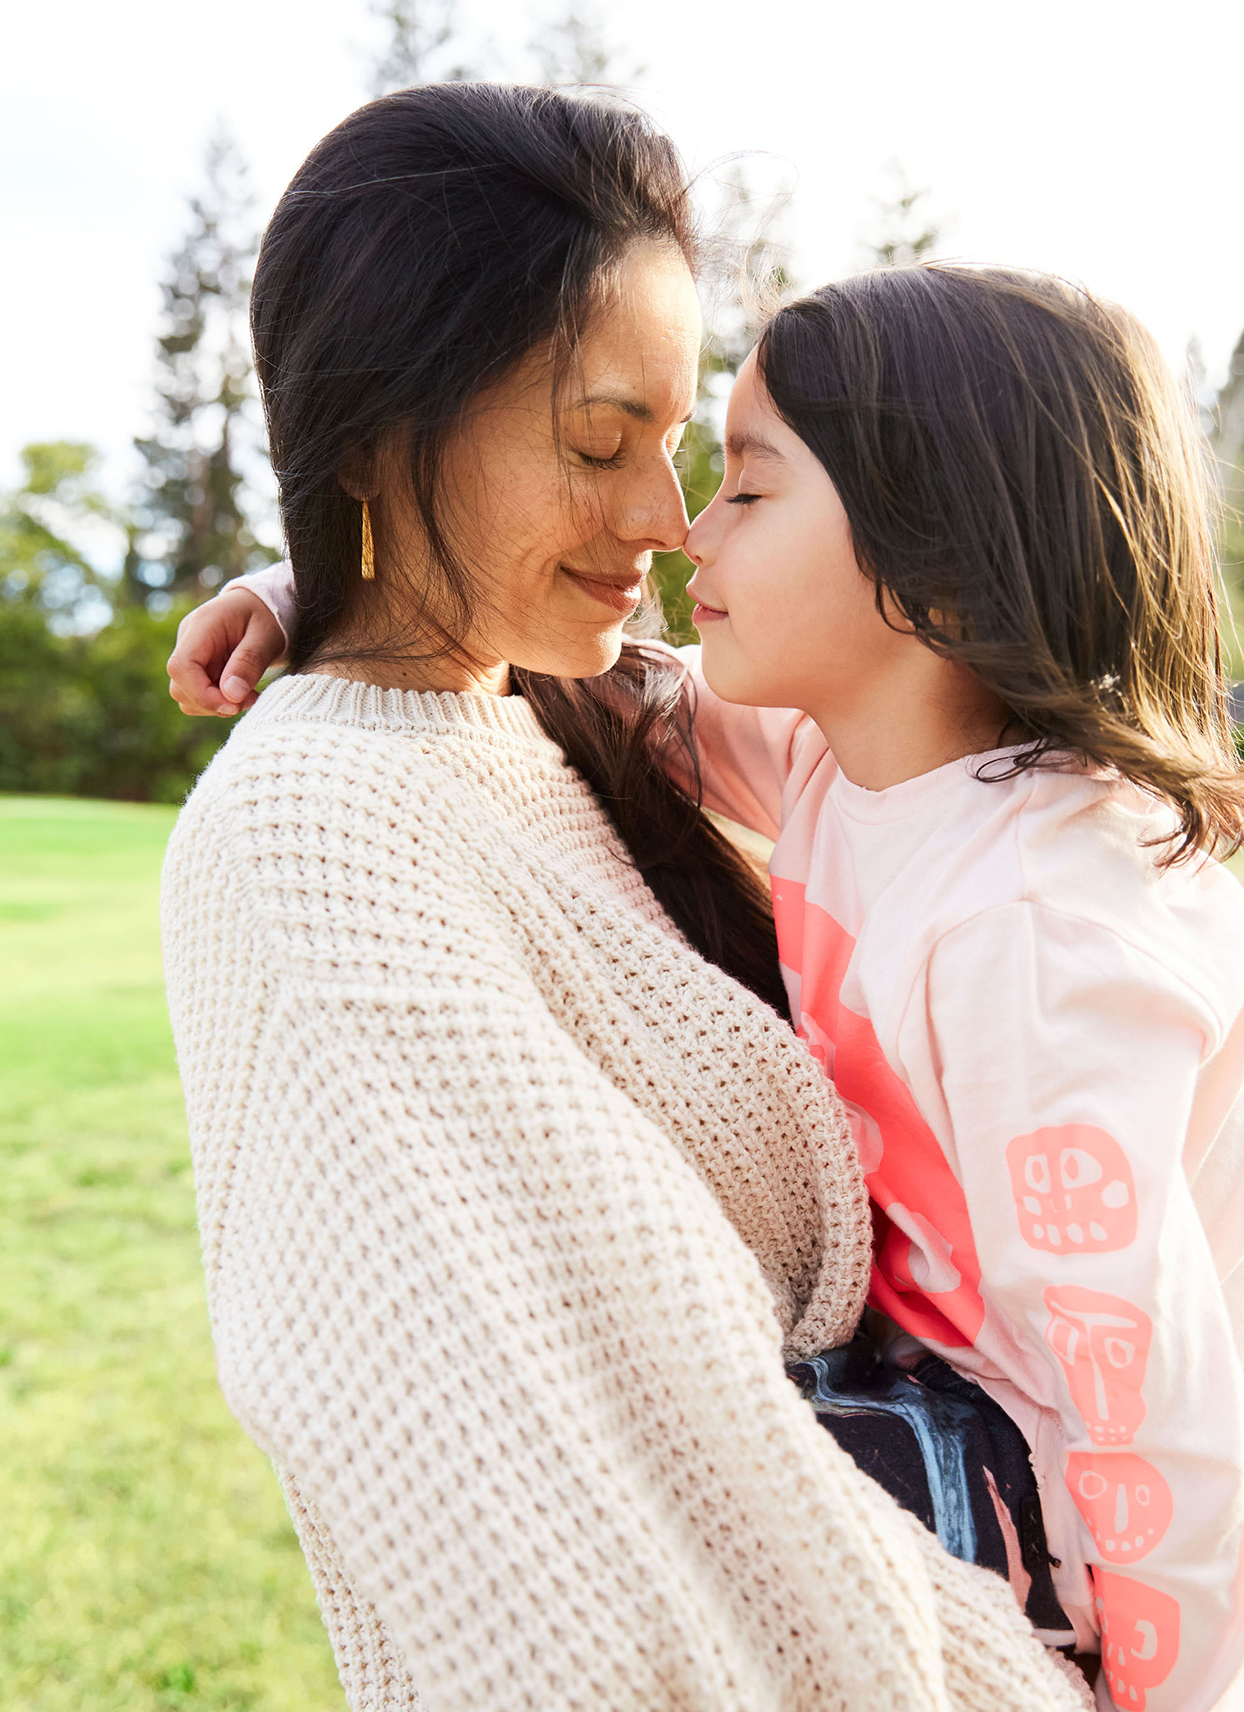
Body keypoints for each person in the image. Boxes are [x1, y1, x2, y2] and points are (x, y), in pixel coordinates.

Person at [180, 265, 1244, 1712]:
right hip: (953, 1401)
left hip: (1065, 1494)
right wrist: (318, 582)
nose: (686, 528)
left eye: (747, 488)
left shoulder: (1032, 931)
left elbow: (1153, 1402)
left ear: (931, 559)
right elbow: (597, 670)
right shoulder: (839, 753)